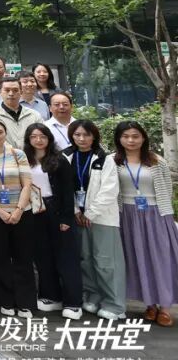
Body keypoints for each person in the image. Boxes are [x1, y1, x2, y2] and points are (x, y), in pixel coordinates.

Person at [112, 121, 178, 327]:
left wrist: (166, 215)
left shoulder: (157, 161)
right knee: (138, 259)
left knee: (161, 260)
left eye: (135, 136)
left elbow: (167, 189)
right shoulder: (113, 161)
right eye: (126, 136)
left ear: (143, 138)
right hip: (127, 216)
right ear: (119, 139)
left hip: (156, 214)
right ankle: (149, 305)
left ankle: (165, 307)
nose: (131, 140)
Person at [63, 120, 126, 320]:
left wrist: (90, 213)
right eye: (77, 135)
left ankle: (115, 304)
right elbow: (64, 188)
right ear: (72, 136)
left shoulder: (105, 159)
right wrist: (76, 211)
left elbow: (109, 190)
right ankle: (92, 296)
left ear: (94, 136)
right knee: (86, 260)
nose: (82, 139)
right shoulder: (66, 156)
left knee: (106, 262)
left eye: (86, 135)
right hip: (77, 217)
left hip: (102, 218)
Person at [24, 123, 83, 319]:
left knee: (66, 257)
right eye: (34, 136)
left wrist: (66, 218)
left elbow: (67, 191)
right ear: (28, 140)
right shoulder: (24, 160)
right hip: (35, 210)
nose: (38, 140)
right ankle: (51, 296)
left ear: (49, 138)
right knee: (43, 256)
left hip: (56, 210)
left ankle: (73, 302)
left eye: (42, 136)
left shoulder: (59, 160)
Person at [0, 119, 37, 318]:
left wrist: (19, 210)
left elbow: (27, 184)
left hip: (22, 212)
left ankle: (26, 302)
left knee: (23, 258)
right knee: (0, 257)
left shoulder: (18, 154)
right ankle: (5, 301)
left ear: (5, 133)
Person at [0, 77, 43, 149]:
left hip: (31, 154)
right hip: (5, 155)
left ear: (21, 92)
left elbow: (42, 136)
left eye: (15, 90)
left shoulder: (34, 115)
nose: (11, 94)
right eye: (7, 90)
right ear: (0, 92)